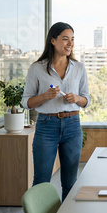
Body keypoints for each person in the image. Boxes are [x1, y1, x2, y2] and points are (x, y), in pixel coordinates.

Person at [21, 22, 90, 201]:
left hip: (73, 125)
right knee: (42, 181)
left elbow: (86, 100)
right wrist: (44, 96)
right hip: (46, 126)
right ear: (53, 40)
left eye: (72, 39)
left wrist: (77, 99)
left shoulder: (79, 68)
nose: (70, 44)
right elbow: (26, 102)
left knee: (70, 182)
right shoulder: (37, 68)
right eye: (65, 39)